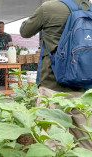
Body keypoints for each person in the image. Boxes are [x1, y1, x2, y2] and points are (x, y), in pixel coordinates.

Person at [20, 0, 92, 150]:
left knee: (53, 143)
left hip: (53, 85)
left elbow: (25, 31)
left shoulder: (49, 7)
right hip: (85, 86)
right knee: (85, 143)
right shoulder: (89, 8)